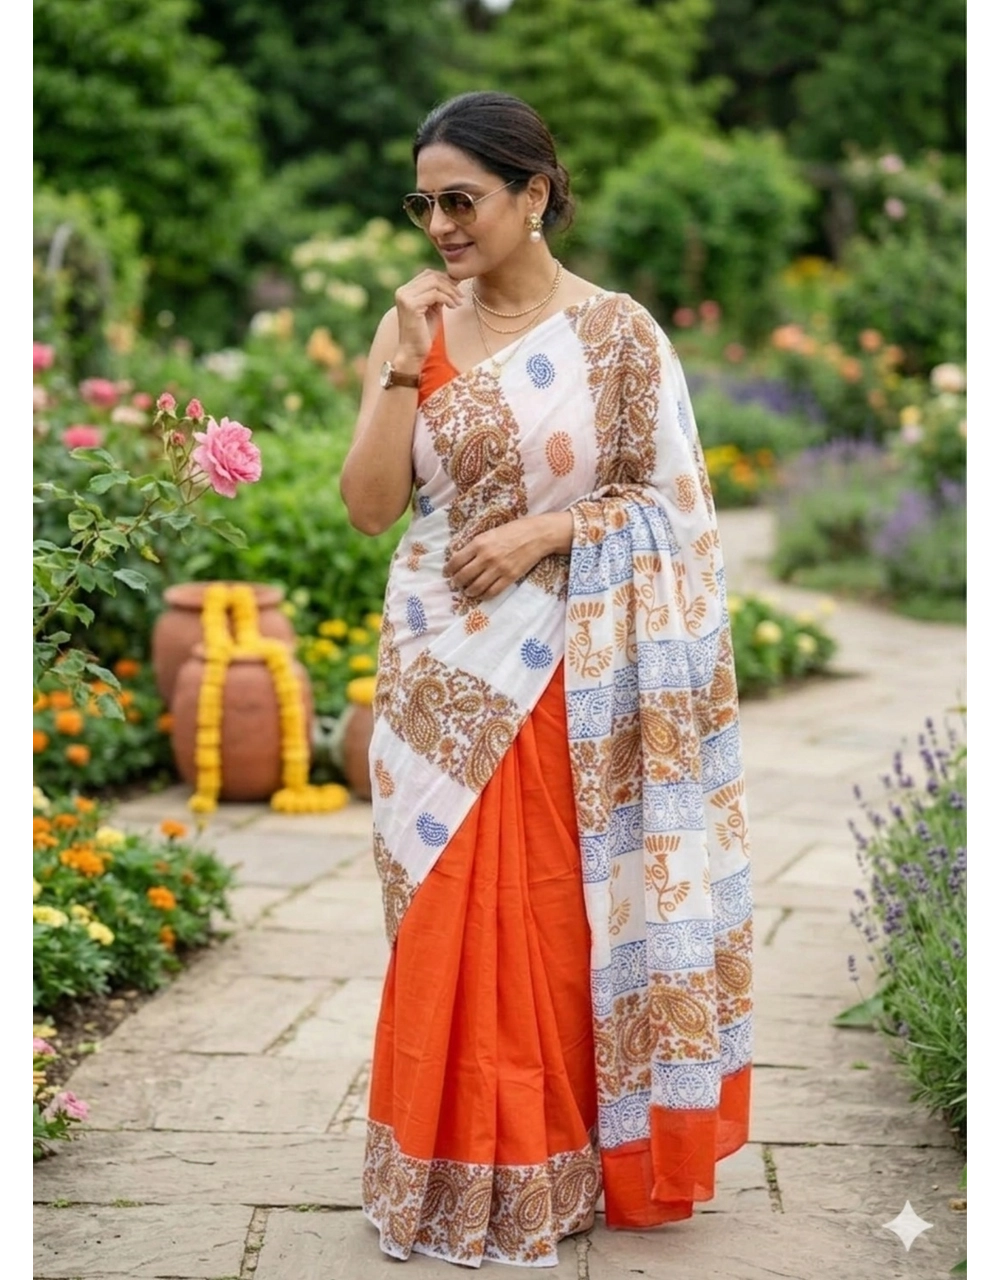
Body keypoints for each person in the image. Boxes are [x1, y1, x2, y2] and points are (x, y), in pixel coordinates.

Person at [340, 90, 754, 1270]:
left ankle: (546, 1158)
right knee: (444, 913)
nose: (438, 226)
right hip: (436, 663)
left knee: (535, 914)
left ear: (534, 193)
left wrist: (541, 534)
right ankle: (443, 1166)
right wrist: (398, 366)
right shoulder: (409, 327)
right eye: (422, 202)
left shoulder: (617, 335)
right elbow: (371, 509)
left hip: (562, 662)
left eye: (459, 199)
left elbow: (671, 509)